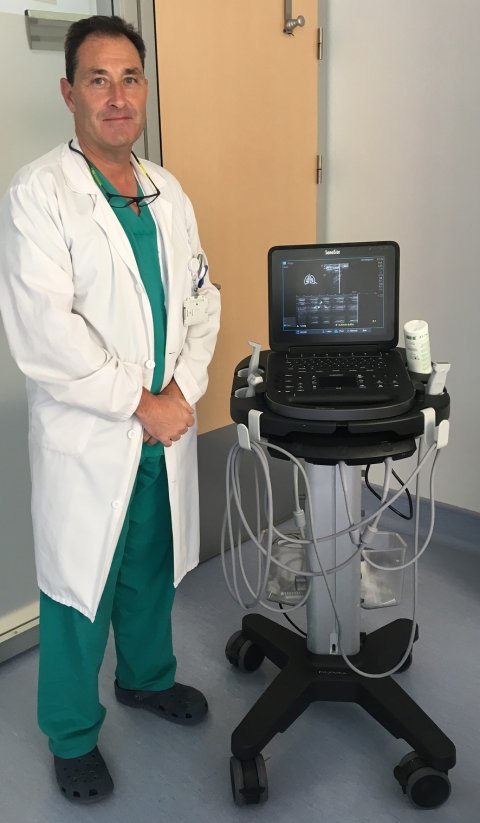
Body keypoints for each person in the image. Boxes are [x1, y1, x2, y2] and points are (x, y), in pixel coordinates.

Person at [0, 15, 220, 804]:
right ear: (69, 92)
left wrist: (180, 394)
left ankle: (146, 678)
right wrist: (140, 403)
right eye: (98, 79)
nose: (117, 96)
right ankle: (70, 733)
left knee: (148, 572)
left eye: (130, 78)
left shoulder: (168, 191)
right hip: (91, 437)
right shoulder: (38, 194)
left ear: (145, 91)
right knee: (76, 589)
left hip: (163, 429)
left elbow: (203, 301)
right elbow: (43, 334)